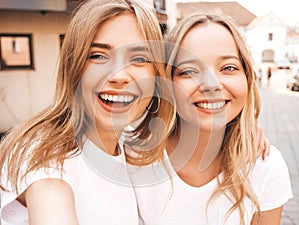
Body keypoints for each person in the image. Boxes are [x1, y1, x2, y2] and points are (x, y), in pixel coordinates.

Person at [0, 0, 176, 224]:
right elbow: (51, 198)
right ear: (74, 68)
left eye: (139, 58)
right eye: (98, 56)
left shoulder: (127, 144)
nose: (119, 76)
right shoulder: (44, 155)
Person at [133, 13, 292, 225]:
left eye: (228, 68)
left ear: (247, 77)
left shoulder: (265, 166)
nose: (211, 84)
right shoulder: (131, 157)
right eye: (189, 71)